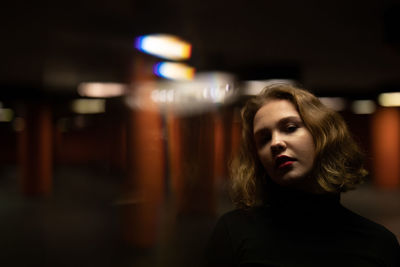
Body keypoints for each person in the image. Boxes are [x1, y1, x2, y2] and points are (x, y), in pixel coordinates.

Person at [204, 84, 400, 267]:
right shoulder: (233, 232)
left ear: (321, 135)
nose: (275, 143)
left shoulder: (379, 244)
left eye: (290, 128)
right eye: (264, 139)